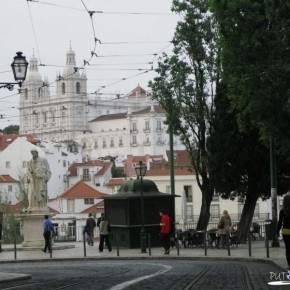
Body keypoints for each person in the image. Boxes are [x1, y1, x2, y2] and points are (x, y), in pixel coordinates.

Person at [277, 194, 290, 270]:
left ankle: (289, 264)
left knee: (288, 248)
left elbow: (280, 222)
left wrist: (277, 232)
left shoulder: (282, 211)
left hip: (286, 232)